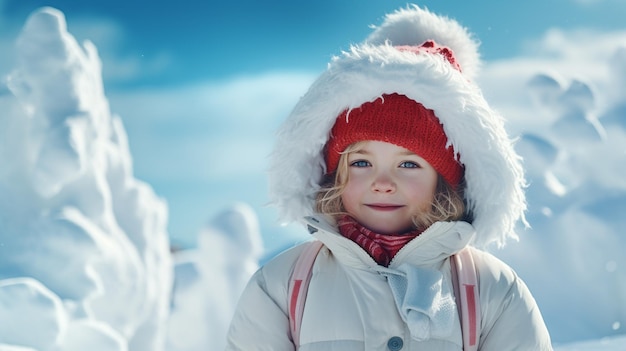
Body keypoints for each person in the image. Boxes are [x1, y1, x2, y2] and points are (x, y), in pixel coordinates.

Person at [226, 5, 553, 351]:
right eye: (362, 163)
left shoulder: (491, 290)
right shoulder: (282, 286)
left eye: (409, 165)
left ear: (444, 181)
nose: (382, 182)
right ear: (334, 175)